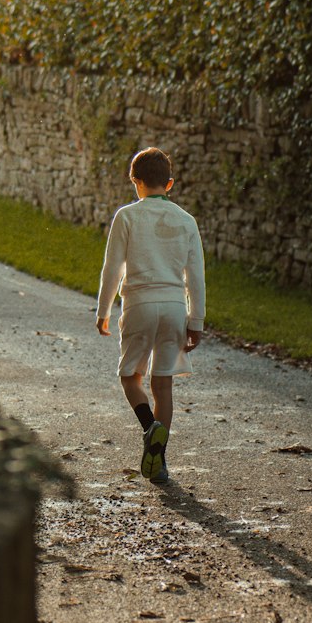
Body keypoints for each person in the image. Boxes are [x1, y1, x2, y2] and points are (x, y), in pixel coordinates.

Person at [95, 146, 205, 486]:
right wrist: (196, 321)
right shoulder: (186, 221)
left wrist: (103, 311)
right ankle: (159, 462)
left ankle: (149, 427)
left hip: (140, 305)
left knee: (130, 376)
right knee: (164, 385)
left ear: (136, 182)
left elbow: (112, 268)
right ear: (169, 184)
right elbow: (196, 276)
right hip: (174, 307)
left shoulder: (127, 217)